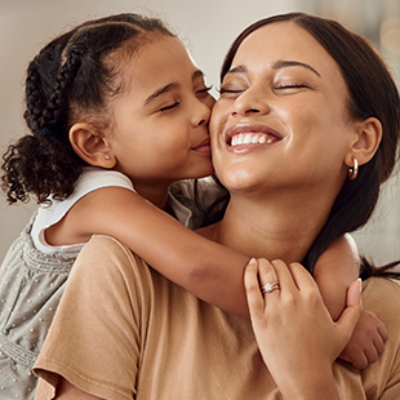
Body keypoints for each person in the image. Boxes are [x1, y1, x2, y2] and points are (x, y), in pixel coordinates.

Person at [0, 13, 372, 399]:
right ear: (96, 145)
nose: (202, 112)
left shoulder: (181, 195)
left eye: (204, 89)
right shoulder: (96, 199)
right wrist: (320, 321)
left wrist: (338, 277)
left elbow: (317, 228)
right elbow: (200, 267)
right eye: (168, 106)